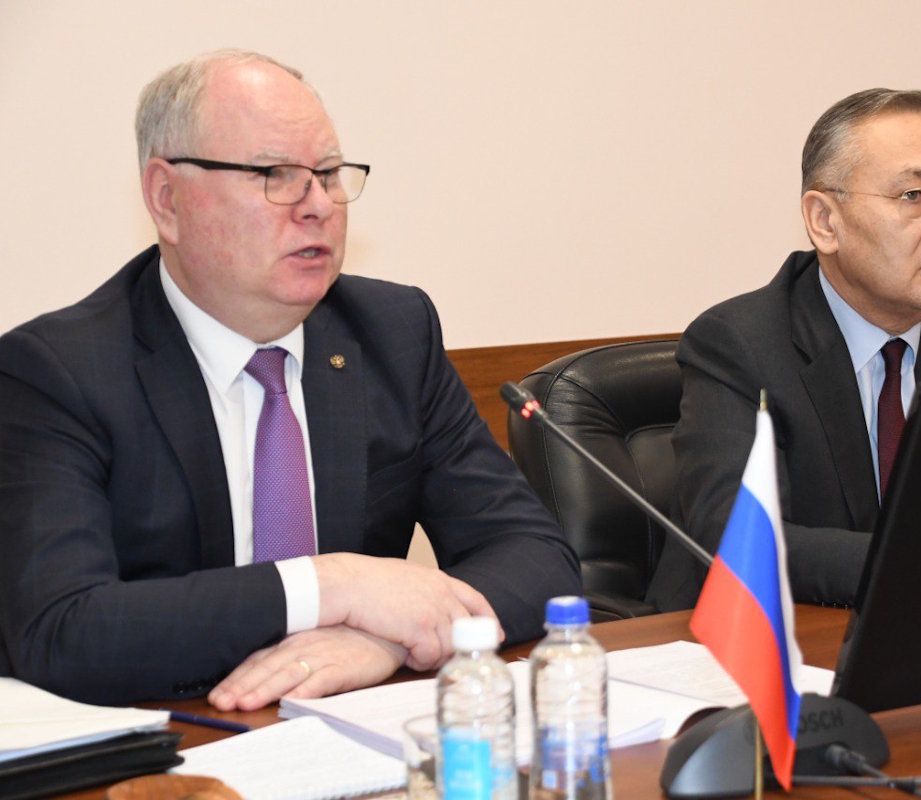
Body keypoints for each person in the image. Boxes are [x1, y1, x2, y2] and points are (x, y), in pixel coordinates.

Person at [0, 50, 580, 708]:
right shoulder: (59, 372)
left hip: (346, 727)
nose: (319, 206)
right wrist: (331, 587)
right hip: (177, 734)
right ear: (167, 199)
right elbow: (62, 630)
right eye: (275, 175)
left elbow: (537, 558)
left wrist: (383, 640)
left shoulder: (393, 333)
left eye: (328, 174)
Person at [646, 88, 921, 613]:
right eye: (914, 196)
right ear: (825, 221)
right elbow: (740, 538)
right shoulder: (739, 345)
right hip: (758, 639)